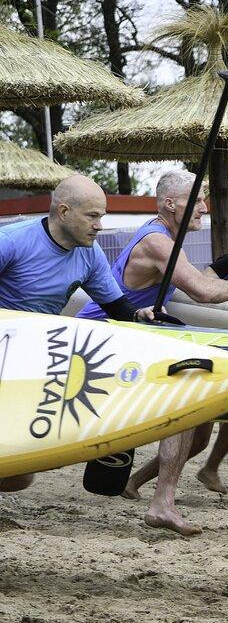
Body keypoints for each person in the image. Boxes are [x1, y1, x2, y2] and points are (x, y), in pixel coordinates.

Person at [77, 169, 228, 536]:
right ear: (170, 204)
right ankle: (162, 504)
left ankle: (137, 484)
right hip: (98, 342)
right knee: (185, 396)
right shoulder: (158, 242)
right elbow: (204, 291)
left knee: (200, 433)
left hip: (123, 336)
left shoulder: (166, 239)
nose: (204, 207)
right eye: (196, 200)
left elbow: (198, 281)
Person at [117, 212, 228, 498]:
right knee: (196, 437)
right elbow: (197, 293)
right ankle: (137, 481)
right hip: (211, 354)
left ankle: (206, 468)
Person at [0, 174, 155, 492]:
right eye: (92, 216)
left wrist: (140, 316)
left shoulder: (90, 254)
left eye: (102, 216)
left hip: (33, 358)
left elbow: (118, 309)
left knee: (19, 476)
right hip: (5, 352)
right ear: (63, 212)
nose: (99, 226)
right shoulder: (11, 241)